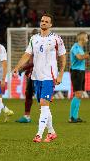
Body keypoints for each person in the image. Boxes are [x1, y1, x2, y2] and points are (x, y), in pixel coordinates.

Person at [13, 13, 67, 143]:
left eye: (46, 21)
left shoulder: (56, 39)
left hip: (49, 76)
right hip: (36, 76)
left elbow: (63, 56)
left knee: (43, 104)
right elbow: (27, 55)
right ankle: (51, 132)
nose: (43, 22)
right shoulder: (34, 39)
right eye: (42, 21)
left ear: (50, 24)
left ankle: (39, 134)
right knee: (43, 106)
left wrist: (60, 74)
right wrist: (18, 67)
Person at [69, 32, 90, 123]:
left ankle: (74, 116)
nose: (87, 39)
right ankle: (72, 117)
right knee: (78, 94)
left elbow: (84, 56)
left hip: (81, 72)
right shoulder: (75, 47)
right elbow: (79, 57)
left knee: (80, 94)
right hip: (76, 72)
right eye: (86, 37)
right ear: (82, 38)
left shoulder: (80, 48)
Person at [16, 29, 38, 123]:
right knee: (30, 94)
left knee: (30, 94)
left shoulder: (36, 47)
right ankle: (27, 116)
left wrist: (22, 68)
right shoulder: (33, 46)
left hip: (36, 74)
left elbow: (33, 62)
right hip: (35, 73)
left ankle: (28, 116)